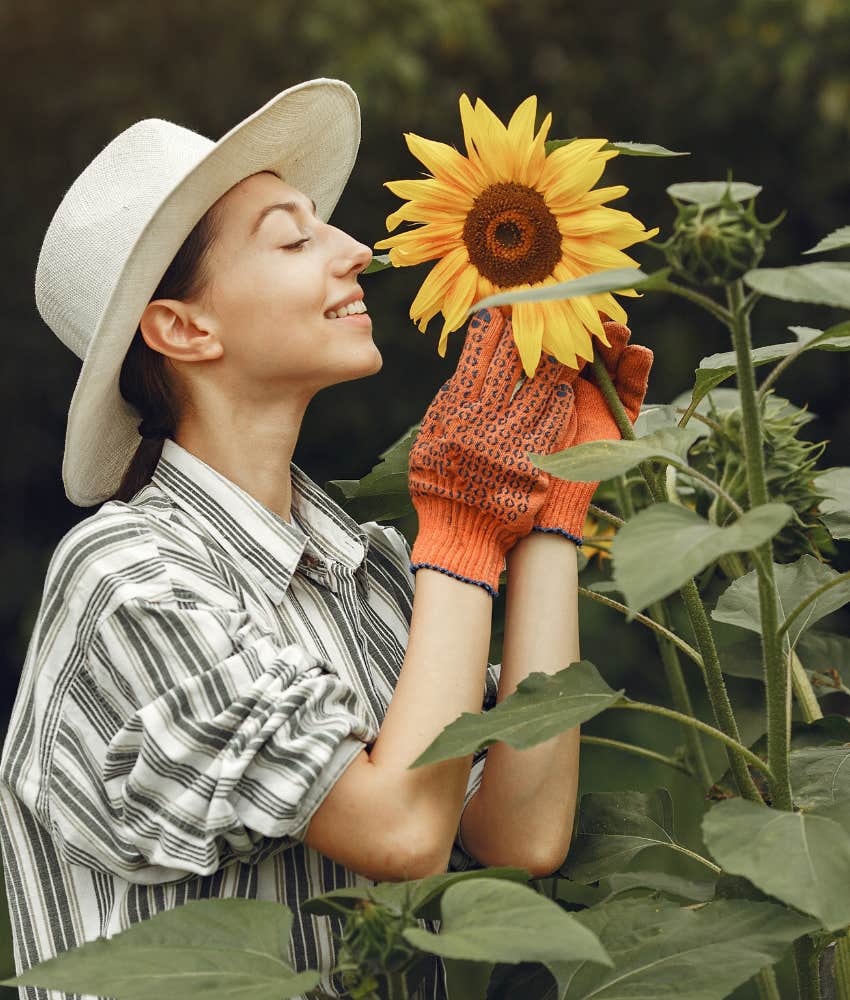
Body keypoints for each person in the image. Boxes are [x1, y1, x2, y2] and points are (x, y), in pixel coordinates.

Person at [0, 78, 652, 1000]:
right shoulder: (127, 582)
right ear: (182, 328)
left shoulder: (363, 570)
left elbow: (522, 833)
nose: (354, 250)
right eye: (295, 237)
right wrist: (462, 533)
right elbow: (401, 832)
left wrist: (553, 505)